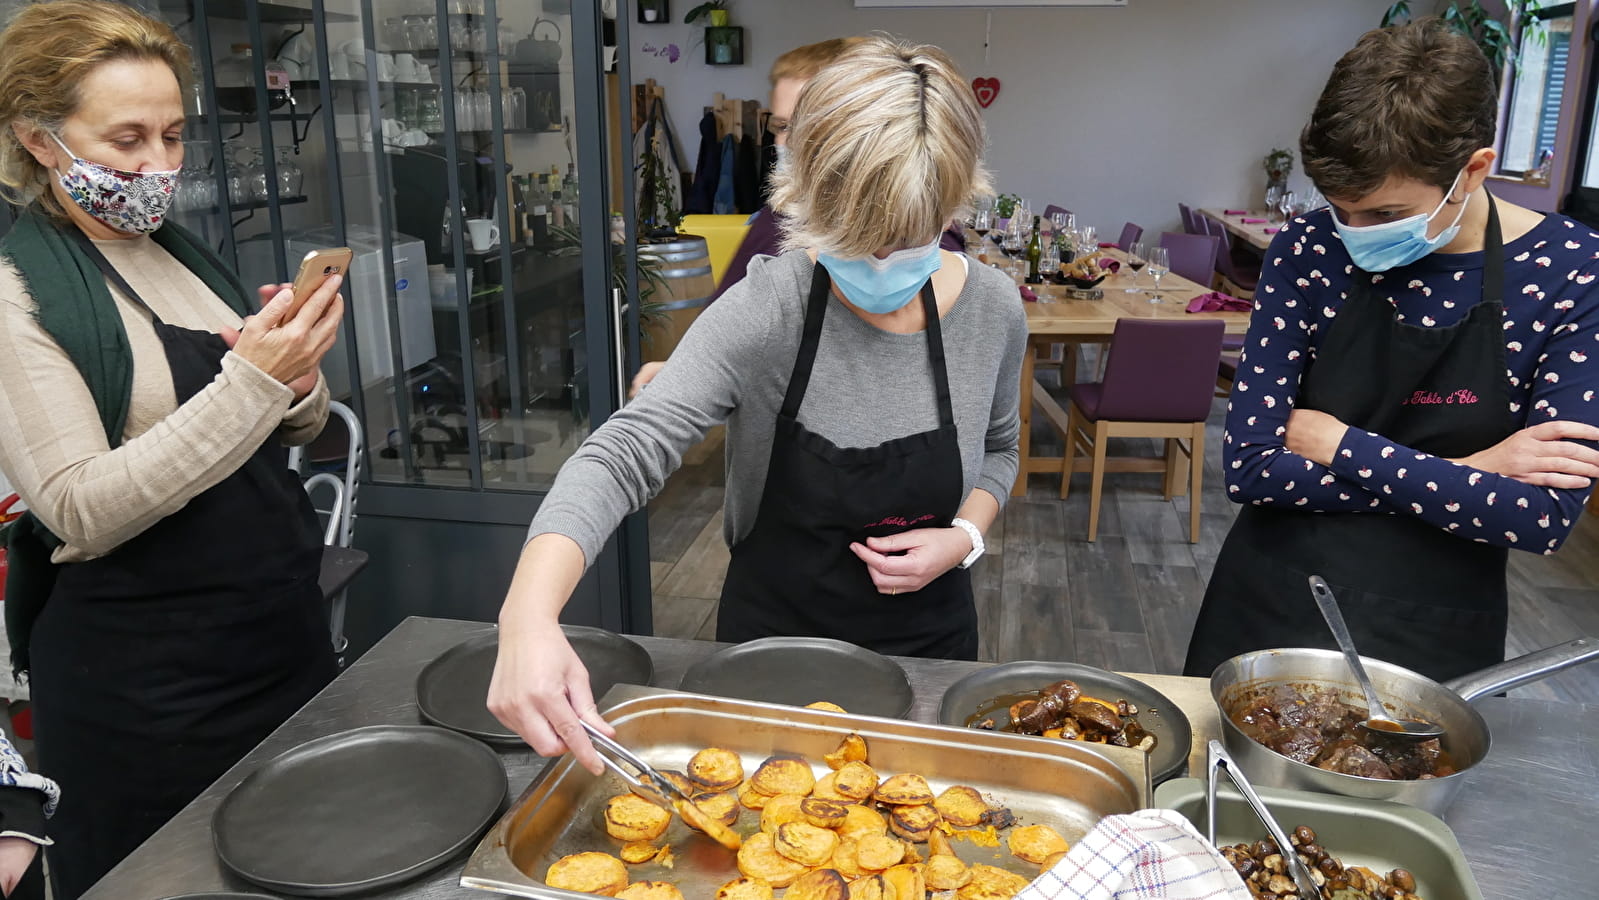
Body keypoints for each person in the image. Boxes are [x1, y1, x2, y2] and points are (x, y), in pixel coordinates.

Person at [490, 37, 1027, 772]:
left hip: (930, 654)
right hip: (769, 654)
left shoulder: (993, 310)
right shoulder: (768, 306)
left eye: (904, 241)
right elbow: (622, 453)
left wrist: (964, 536)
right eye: (856, 240)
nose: (879, 265)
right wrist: (526, 615)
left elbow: (1000, 447)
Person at [0, 2, 345, 894]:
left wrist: (299, 380)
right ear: (38, 139)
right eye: (127, 140)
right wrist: (254, 382)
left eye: (174, 134)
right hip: (146, 695)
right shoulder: (16, 292)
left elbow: (286, 428)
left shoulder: (179, 255)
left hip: (276, 641)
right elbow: (77, 507)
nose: (159, 164)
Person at [1185, 18, 1599, 683]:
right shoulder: (1306, 249)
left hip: (1435, 624)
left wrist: (1337, 444)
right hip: (1272, 597)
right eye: (1338, 208)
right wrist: (1468, 472)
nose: (1353, 234)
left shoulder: (1572, 272)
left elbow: (1539, 516)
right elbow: (1252, 468)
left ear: (1473, 170)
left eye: (1383, 214)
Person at [631, 36, 966, 396]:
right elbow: (723, 322)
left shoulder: (923, 237)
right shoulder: (776, 219)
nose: (785, 143)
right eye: (780, 126)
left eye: (805, 126)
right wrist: (690, 367)